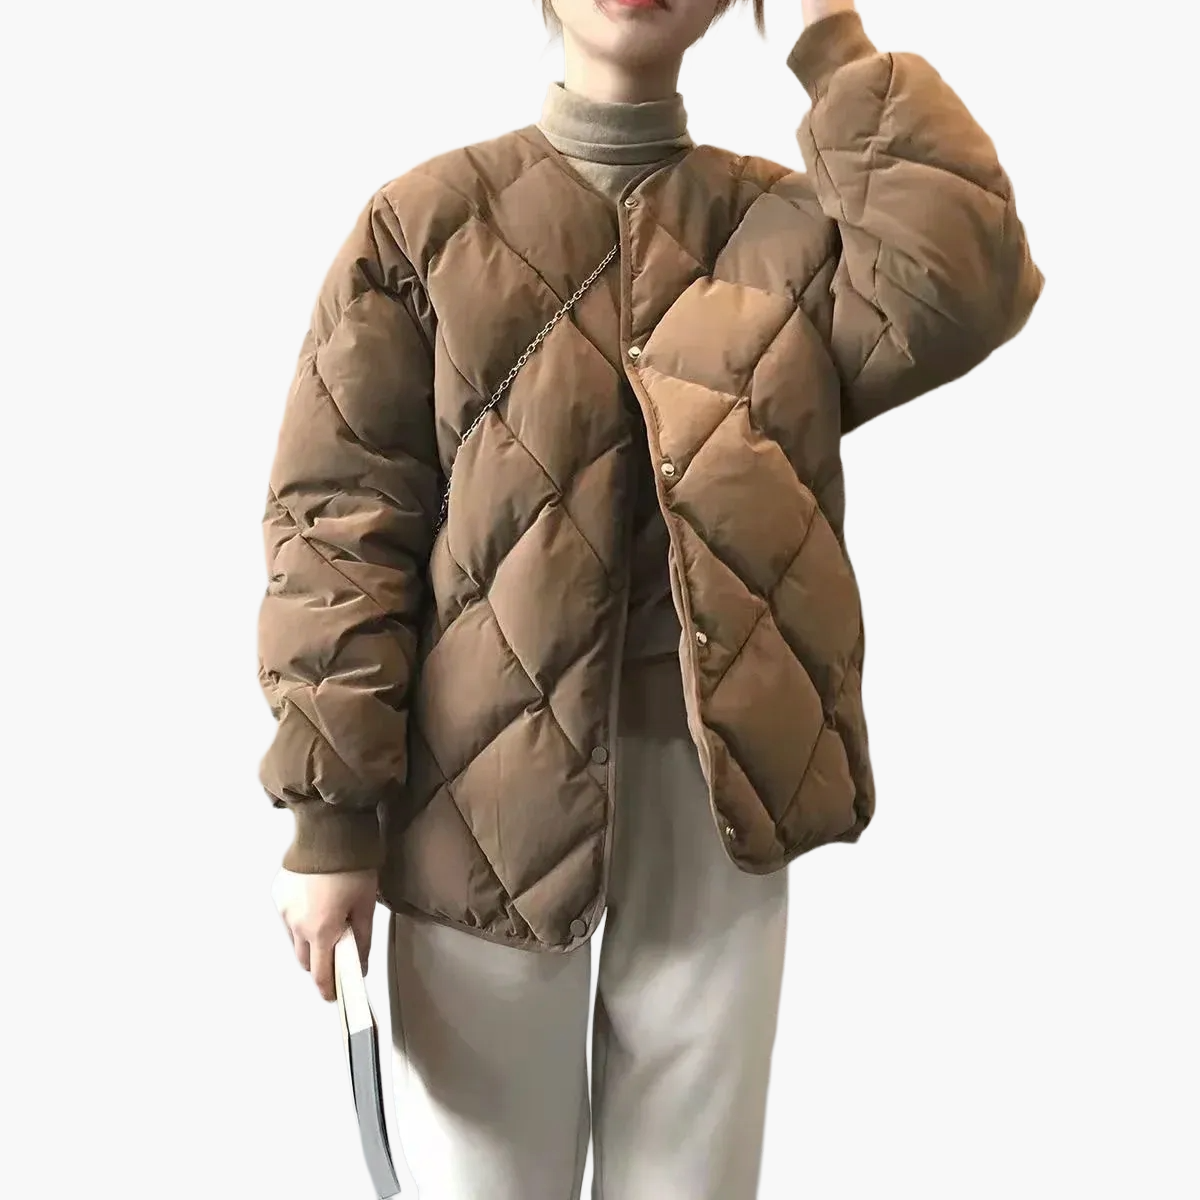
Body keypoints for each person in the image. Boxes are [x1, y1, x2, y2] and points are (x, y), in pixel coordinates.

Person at [258, 0, 1043, 1195]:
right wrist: (330, 820)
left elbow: (963, 281)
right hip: (473, 798)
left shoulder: (790, 231)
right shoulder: (423, 227)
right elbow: (339, 528)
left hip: (718, 793)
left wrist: (829, 37)